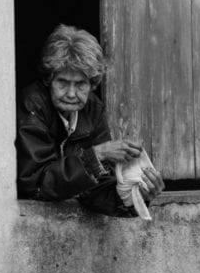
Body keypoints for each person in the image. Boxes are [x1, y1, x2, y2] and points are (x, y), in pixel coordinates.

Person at [17, 24, 163, 217]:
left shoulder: (92, 109)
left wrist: (138, 195)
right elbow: (35, 184)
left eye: (80, 84)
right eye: (62, 82)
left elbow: (97, 192)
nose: (71, 93)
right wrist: (96, 156)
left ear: (92, 84)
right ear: (48, 80)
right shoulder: (33, 105)